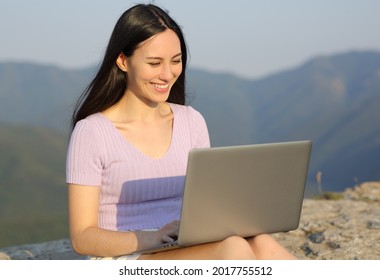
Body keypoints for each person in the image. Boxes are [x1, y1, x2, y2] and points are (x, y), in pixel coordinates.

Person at [66, 3, 297, 260]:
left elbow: (208, 204)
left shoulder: (191, 121)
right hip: (127, 253)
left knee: (261, 242)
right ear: (122, 60)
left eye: (175, 61)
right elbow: (83, 237)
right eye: (154, 63)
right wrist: (152, 237)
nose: (167, 74)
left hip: (184, 244)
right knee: (234, 249)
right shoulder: (92, 132)